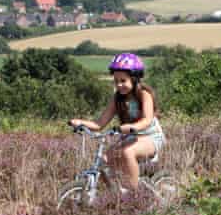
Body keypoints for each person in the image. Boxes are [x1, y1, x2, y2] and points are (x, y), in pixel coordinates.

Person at [69, 53, 165, 193]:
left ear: (134, 79)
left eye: (123, 80)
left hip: (151, 137)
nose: (119, 85)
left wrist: (131, 127)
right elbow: (99, 124)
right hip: (130, 137)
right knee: (103, 159)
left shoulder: (144, 94)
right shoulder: (117, 99)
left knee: (127, 152)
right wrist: (80, 123)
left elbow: (147, 120)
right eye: (116, 81)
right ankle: (115, 193)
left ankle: (134, 194)